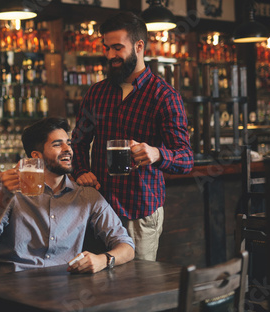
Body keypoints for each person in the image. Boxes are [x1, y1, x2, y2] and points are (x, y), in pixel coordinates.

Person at [71, 12, 193, 261]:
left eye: (118, 48)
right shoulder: (97, 93)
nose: (110, 55)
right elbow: (78, 142)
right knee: (97, 283)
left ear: (139, 46)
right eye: (107, 48)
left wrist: (157, 154)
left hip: (140, 212)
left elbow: (186, 159)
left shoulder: (165, 96)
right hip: (98, 209)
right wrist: (81, 170)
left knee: (136, 287)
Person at [0, 117, 135, 274]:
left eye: (68, 143)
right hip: (14, 287)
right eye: (57, 145)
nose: (67, 149)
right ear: (36, 156)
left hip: (64, 287)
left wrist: (103, 260)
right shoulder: (7, 192)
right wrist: (4, 196)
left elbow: (127, 246)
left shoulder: (87, 196)